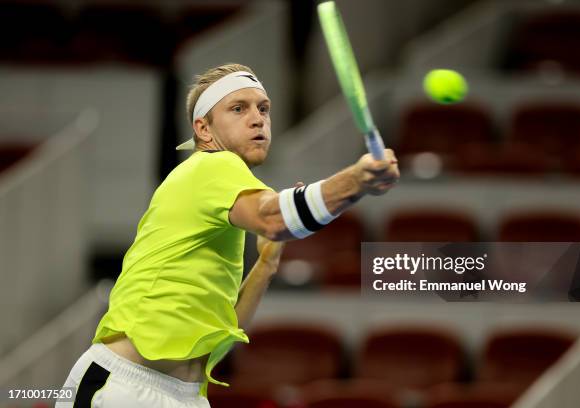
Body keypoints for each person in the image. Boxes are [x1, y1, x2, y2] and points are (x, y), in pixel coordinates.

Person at [56, 63, 399, 408]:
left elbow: (226, 326)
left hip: (183, 396)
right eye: (238, 108)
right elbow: (274, 216)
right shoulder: (212, 166)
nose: (257, 119)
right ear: (203, 130)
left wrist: (266, 264)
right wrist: (356, 181)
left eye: (263, 109)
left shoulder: (220, 197)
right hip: (121, 387)